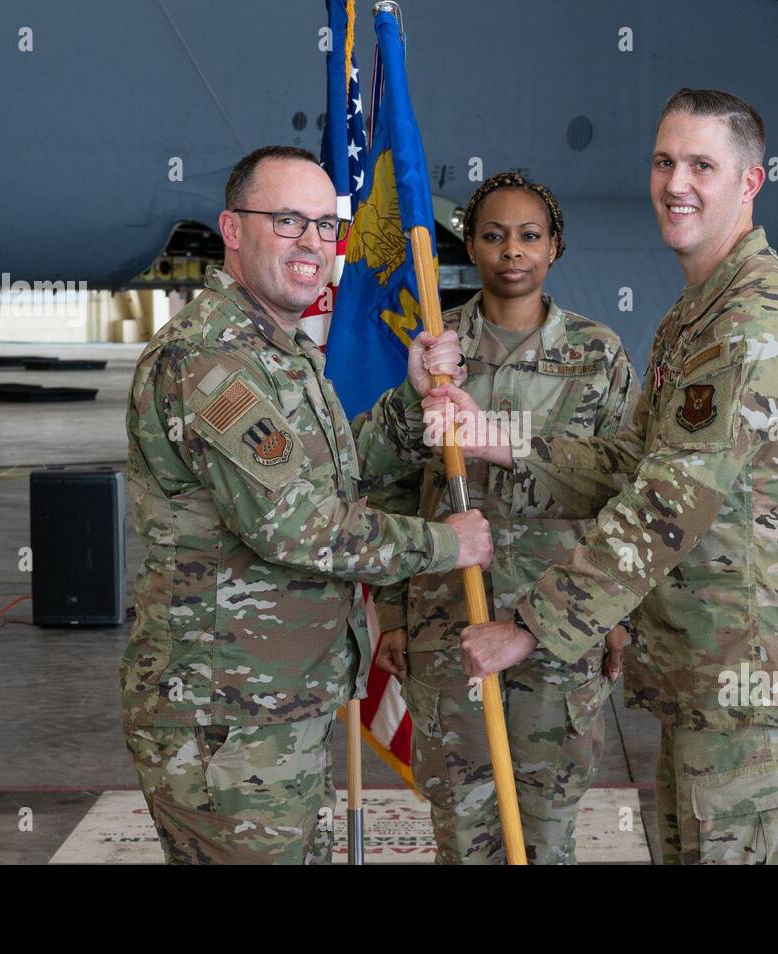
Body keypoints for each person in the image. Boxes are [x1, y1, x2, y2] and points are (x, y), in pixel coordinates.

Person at [428, 90, 778, 864]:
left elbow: (670, 498)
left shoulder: (754, 320)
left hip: (749, 681)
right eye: (664, 162)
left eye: (701, 166)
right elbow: (632, 461)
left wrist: (530, 628)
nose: (675, 183)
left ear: (749, 183)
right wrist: (502, 443)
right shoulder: (697, 314)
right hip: (707, 676)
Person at [119, 144, 492, 864]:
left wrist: (412, 409)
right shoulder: (212, 359)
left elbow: (329, 479)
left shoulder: (277, 350)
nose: (313, 245)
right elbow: (298, 526)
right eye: (288, 221)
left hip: (271, 706)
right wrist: (448, 545)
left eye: (327, 227)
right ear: (232, 229)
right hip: (226, 718)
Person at [367, 172, 638, 864]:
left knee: (547, 826)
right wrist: (393, 616)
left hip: (559, 627)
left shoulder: (597, 354)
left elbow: (628, 486)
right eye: (492, 236)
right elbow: (391, 484)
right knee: (463, 825)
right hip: (448, 622)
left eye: (528, 236)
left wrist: (616, 615)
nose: (510, 251)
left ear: (555, 248)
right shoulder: (436, 353)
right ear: (471, 246)